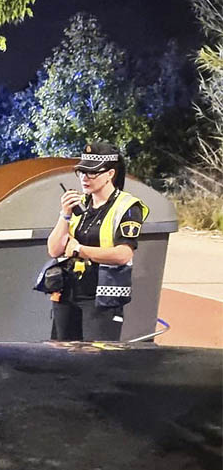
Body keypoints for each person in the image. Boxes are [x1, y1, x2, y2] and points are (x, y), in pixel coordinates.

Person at [46, 143, 149, 341]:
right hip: (68, 293)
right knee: (61, 358)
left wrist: (78, 250)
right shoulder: (80, 203)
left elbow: (123, 254)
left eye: (92, 173)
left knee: (97, 359)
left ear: (110, 174)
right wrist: (65, 215)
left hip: (101, 296)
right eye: (81, 172)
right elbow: (54, 249)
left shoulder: (127, 207)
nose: (85, 178)